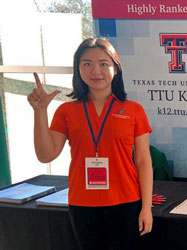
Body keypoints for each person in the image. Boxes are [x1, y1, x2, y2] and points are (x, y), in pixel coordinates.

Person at [27, 37, 153, 250]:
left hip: (126, 202)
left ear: (116, 68)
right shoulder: (66, 111)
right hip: (83, 204)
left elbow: (143, 161)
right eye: (87, 63)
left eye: (104, 63)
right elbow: (45, 155)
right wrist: (40, 112)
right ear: (78, 69)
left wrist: (146, 208)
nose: (96, 70)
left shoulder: (134, 110)